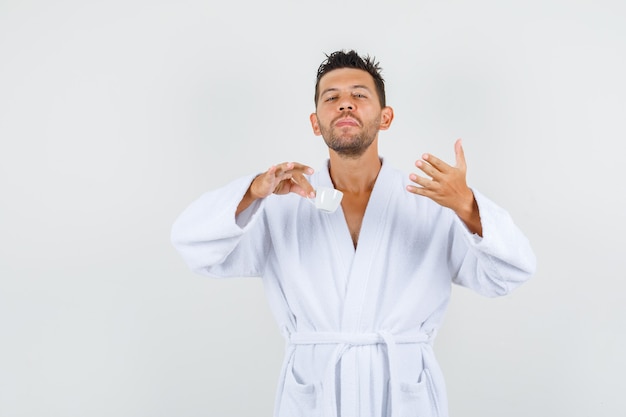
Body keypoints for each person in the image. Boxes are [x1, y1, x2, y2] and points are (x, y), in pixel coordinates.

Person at [171, 50, 536, 417]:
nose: (345, 104)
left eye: (359, 95)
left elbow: (511, 273)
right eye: (332, 98)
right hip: (315, 396)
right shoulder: (282, 203)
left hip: (403, 395)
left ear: (385, 117)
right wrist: (251, 192)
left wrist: (468, 206)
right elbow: (192, 246)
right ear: (316, 123)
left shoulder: (433, 202)